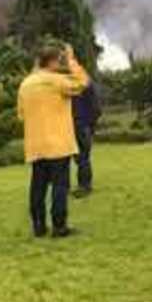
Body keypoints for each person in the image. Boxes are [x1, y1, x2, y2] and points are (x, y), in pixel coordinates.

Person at [16, 43, 89, 238]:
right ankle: (59, 226)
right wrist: (72, 60)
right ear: (53, 61)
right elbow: (82, 82)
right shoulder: (57, 81)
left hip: (35, 145)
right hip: (58, 145)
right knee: (59, 186)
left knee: (37, 186)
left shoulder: (25, 84)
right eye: (60, 60)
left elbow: (21, 115)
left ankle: (38, 225)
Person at [71, 79, 102, 197]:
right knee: (81, 157)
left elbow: (96, 109)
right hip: (82, 124)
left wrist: (89, 124)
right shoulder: (85, 83)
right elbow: (97, 108)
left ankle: (85, 186)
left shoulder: (80, 83)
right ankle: (83, 185)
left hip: (80, 124)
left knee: (82, 157)